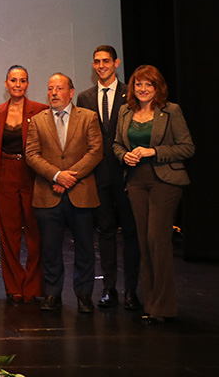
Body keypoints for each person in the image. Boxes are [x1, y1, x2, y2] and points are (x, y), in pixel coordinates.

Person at [113, 65, 194, 323]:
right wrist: (124, 155)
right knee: (143, 242)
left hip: (165, 181)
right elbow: (116, 143)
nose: (143, 89)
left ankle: (164, 307)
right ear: (132, 88)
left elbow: (187, 147)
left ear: (158, 87)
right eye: (138, 84)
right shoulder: (125, 111)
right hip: (136, 181)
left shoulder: (171, 111)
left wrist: (154, 152)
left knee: (156, 240)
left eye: (149, 85)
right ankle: (150, 303)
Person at [26, 73, 102, 313]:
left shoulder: (88, 117)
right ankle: (52, 294)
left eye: (59, 88)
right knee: (49, 248)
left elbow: (95, 151)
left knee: (84, 248)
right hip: (48, 194)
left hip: (81, 193)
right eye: (50, 89)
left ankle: (84, 296)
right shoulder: (37, 121)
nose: (54, 93)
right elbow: (31, 155)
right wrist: (57, 176)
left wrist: (69, 176)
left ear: (71, 92)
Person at [76, 46, 140, 310]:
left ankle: (131, 291)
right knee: (105, 232)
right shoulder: (84, 97)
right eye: (96, 62)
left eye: (106, 61)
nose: (101, 65)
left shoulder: (132, 94)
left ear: (116, 63)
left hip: (127, 173)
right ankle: (110, 289)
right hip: (97, 176)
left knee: (132, 233)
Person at [0, 65, 48, 304]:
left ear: (27, 84)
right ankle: (14, 286)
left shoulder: (40, 110)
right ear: (6, 83)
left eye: (22, 80)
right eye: (13, 80)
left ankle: (33, 286)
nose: (17, 84)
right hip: (5, 175)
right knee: (9, 236)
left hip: (32, 175)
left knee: (36, 234)